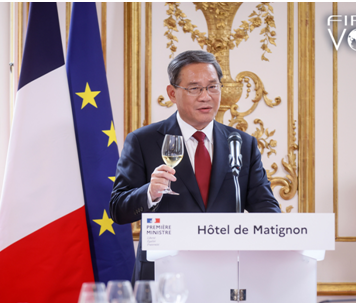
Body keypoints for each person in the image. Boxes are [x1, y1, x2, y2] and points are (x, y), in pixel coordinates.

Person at [110, 50, 280, 282]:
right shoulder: (143, 141)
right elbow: (118, 209)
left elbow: (266, 208)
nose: (206, 97)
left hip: (227, 273)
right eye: (194, 88)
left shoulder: (242, 143)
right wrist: (149, 193)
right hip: (162, 273)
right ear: (172, 93)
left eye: (212, 87)